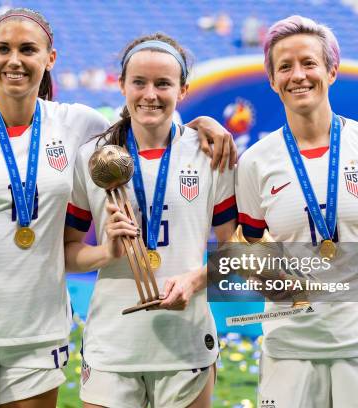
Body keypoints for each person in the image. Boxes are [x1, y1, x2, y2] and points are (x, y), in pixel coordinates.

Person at [0, 9, 237, 408]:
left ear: (49, 58)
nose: (15, 60)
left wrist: (203, 125)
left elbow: (149, 122)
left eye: (28, 49)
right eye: (4, 49)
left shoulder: (80, 126)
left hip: (42, 329)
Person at [236, 16, 358, 407]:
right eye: (284, 67)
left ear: (332, 71)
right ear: (272, 80)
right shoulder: (255, 162)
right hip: (290, 348)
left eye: (309, 63)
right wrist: (267, 276)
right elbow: (250, 251)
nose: (298, 75)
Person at [64, 33, 237, 408]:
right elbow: (66, 253)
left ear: (183, 89)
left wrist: (197, 278)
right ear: (121, 85)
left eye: (163, 83)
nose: (150, 94)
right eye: (139, 82)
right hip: (113, 342)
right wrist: (105, 252)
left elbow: (236, 249)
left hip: (186, 343)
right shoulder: (91, 158)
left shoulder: (209, 153)